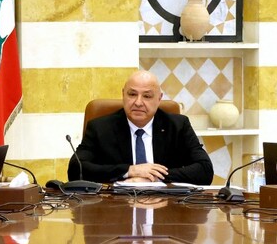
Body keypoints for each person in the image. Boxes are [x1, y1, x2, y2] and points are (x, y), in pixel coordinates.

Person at [68, 70, 213, 185]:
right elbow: (76, 169)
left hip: (166, 206)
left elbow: (205, 170)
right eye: (132, 94)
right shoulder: (100, 128)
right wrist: (130, 171)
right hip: (116, 206)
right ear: (123, 95)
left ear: (159, 99)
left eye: (147, 96)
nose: (138, 102)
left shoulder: (178, 126)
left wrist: (153, 176)